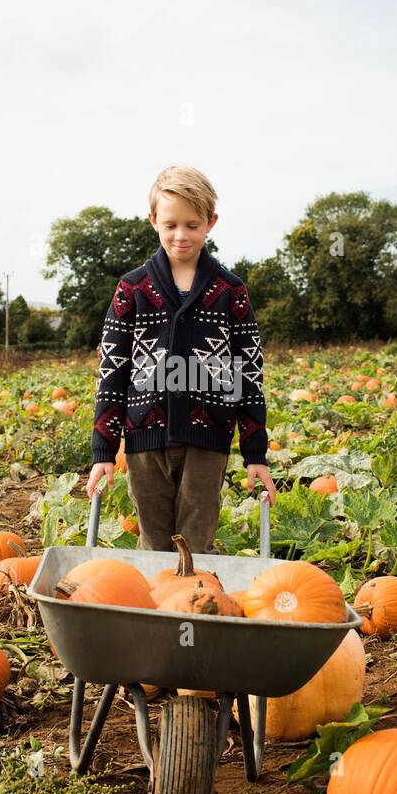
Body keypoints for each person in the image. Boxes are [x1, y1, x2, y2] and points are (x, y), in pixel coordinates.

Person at [85, 166, 277, 553]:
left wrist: (255, 452)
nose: (180, 235)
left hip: (208, 442)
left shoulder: (230, 291)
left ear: (210, 222)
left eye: (192, 225)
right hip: (143, 441)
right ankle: (155, 612)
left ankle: (192, 607)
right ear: (153, 220)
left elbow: (248, 374)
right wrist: (104, 451)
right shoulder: (132, 289)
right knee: (154, 545)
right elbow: (112, 371)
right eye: (170, 224)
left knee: (195, 543)